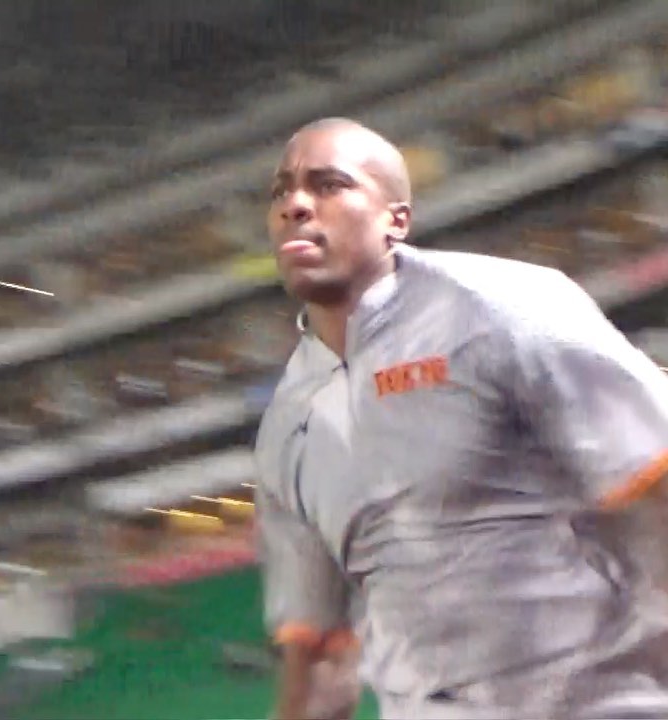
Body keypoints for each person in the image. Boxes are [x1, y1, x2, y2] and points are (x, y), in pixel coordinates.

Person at [253, 117, 668, 720]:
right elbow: (319, 664)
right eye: (281, 192)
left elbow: (656, 483)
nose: (295, 205)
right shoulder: (286, 427)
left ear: (396, 219)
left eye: (329, 185)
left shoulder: (504, 310)